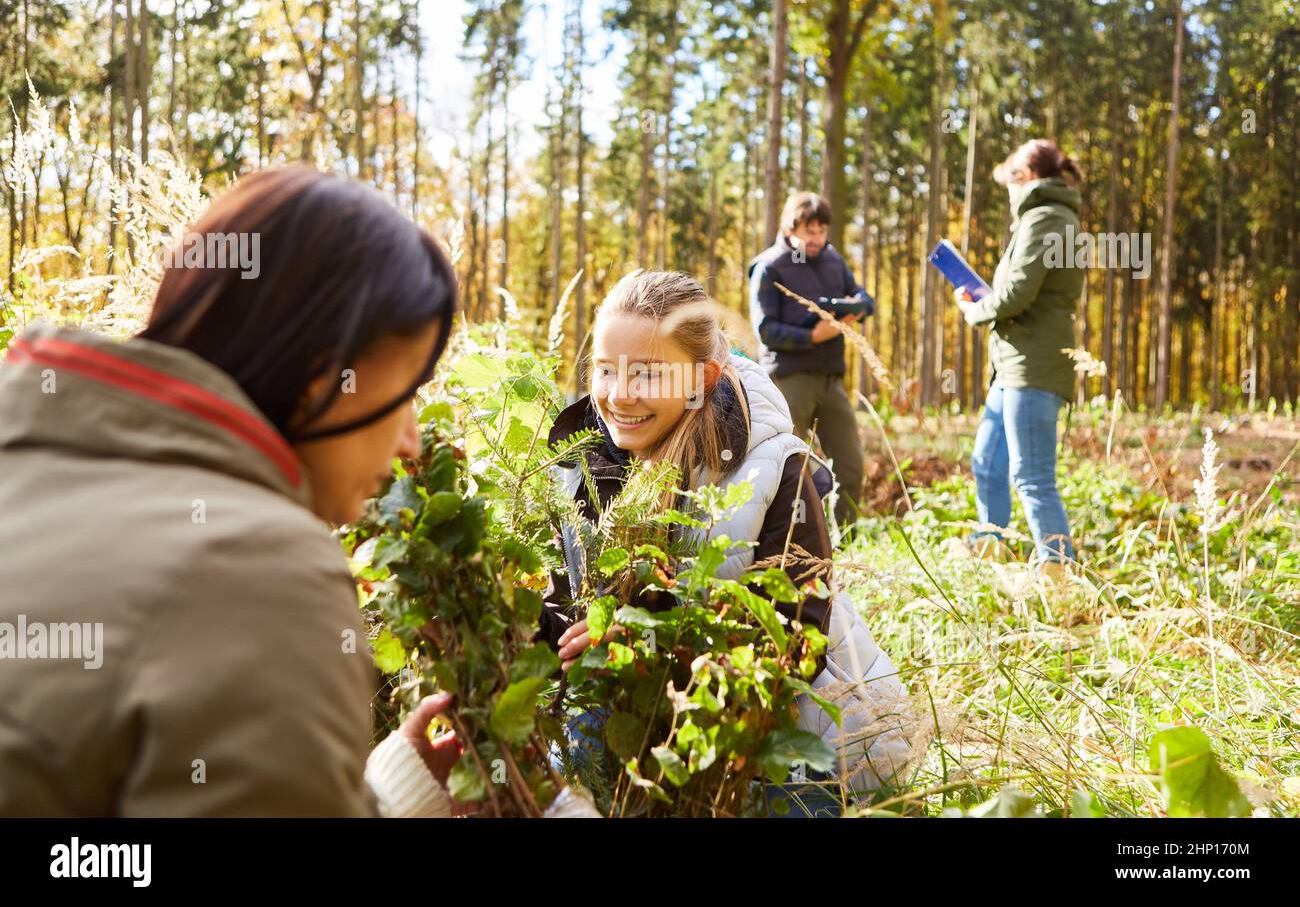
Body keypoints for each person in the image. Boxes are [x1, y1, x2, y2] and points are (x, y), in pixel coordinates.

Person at [0, 165, 467, 816]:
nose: (411, 442)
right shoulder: (259, 568)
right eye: (407, 393)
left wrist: (374, 796)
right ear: (322, 374)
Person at [539, 269, 911, 811]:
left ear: (702, 378)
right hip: (648, 726)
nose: (619, 396)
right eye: (604, 370)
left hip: (806, 747)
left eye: (645, 374)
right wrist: (526, 626)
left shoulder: (776, 467)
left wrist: (641, 646)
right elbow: (568, 613)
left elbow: (792, 651)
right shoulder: (585, 465)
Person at [954, 139, 1084, 572]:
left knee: (1033, 478)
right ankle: (992, 548)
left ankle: (1058, 575)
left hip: (1034, 365)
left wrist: (976, 309)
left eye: (1008, 185)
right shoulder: (1051, 217)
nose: (1008, 197)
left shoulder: (1045, 218)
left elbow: (1017, 295)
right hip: (1014, 364)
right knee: (989, 462)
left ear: (1023, 178)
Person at [747, 191, 872, 528]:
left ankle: (844, 542)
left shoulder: (834, 260)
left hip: (832, 380)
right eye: (808, 231)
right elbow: (765, 329)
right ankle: (786, 545)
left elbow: (863, 298)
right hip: (789, 380)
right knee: (789, 469)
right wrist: (812, 337)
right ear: (791, 229)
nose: (816, 239)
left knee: (850, 465)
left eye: (821, 231)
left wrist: (856, 308)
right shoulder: (769, 266)